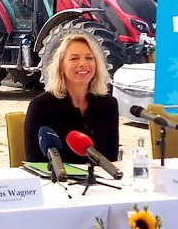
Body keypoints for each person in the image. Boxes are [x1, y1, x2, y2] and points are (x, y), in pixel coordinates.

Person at [24, 32, 119, 163]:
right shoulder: (41, 106)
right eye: (74, 58)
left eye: (89, 58)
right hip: (57, 181)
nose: (83, 64)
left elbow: (111, 158)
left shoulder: (109, 104)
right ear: (61, 67)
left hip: (99, 181)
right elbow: (35, 160)